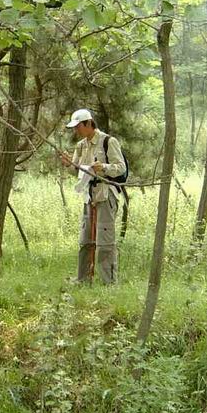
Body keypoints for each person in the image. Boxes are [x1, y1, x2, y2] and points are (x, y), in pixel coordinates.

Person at [60, 109, 126, 285]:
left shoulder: (108, 141)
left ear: (88, 123)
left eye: (78, 126)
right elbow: (77, 171)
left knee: (105, 242)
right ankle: (83, 279)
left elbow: (121, 168)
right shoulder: (80, 146)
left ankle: (108, 282)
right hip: (88, 196)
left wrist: (103, 167)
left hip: (105, 194)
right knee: (85, 240)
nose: (76, 130)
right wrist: (68, 164)